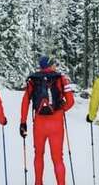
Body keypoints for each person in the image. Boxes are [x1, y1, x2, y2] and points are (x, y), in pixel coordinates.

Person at [20, 56, 75, 185]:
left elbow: (25, 102)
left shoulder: (33, 80)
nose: (55, 65)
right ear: (50, 65)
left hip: (39, 124)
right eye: (53, 63)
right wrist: (61, 110)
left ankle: (38, 183)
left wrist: (23, 122)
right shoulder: (61, 78)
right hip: (56, 123)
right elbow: (71, 101)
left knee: (38, 154)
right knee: (58, 158)